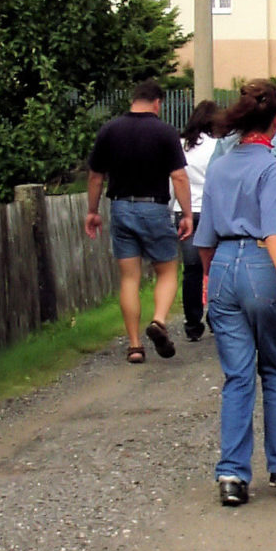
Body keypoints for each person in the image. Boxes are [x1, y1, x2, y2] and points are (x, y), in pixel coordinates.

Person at [195, 81, 276, 508]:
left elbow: (204, 237)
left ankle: (232, 474)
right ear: (275, 123)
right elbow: (274, 231)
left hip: (221, 263)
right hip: (260, 265)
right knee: (274, 367)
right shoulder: (272, 168)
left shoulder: (220, 166)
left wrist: (209, 277)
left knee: (237, 375)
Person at [85, 79, 193, 364]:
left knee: (129, 278)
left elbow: (96, 176)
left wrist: (92, 211)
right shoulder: (165, 132)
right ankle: (158, 320)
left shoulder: (109, 130)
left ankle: (134, 346)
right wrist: (187, 214)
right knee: (168, 270)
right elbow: (179, 176)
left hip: (120, 207)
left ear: (133, 99)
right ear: (158, 102)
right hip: (154, 208)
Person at [179, 99, 222, 341]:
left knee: (192, 269)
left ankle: (192, 322)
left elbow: (174, 179)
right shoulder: (218, 146)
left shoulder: (181, 145)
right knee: (215, 266)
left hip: (185, 210)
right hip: (211, 209)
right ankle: (216, 316)